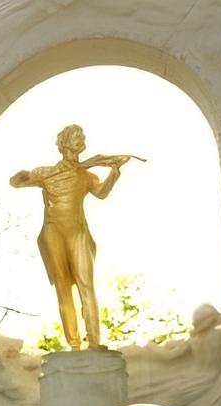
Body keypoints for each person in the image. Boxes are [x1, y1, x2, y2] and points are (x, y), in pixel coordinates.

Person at [11, 124, 132, 350]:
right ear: (64, 143)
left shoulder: (86, 175)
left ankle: (95, 341)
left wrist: (114, 173)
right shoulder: (46, 172)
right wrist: (24, 176)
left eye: (82, 136)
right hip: (53, 232)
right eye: (76, 136)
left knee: (87, 284)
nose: (81, 139)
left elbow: (102, 193)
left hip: (77, 232)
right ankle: (74, 344)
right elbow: (16, 183)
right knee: (63, 287)